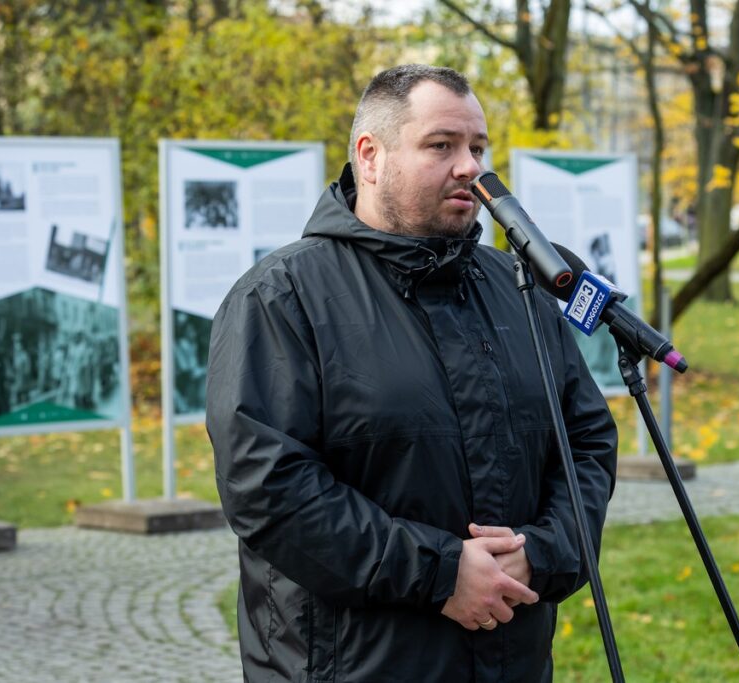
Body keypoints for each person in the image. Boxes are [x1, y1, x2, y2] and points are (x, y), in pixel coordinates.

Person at [207, 64, 618, 683]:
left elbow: (585, 442)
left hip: (512, 660)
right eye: (441, 145)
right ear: (371, 157)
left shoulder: (519, 289)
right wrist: (440, 572)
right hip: (353, 664)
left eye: (478, 147)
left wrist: (541, 553)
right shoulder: (281, 297)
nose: (470, 167)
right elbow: (267, 485)